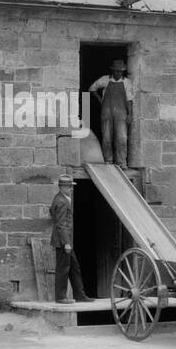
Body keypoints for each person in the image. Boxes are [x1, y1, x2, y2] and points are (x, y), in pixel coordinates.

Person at [49, 174, 89, 304]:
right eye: (69, 187)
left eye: (71, 187)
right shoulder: (61, 201)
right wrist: (66, 243)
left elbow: (52, 212)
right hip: (63, 242)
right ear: (62, 187)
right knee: (63, 268)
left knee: (74, 267)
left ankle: (80, 295)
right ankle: (61, 297)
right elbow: (60, 224)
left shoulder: (61, 198)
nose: (71, 189)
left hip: (66, 241)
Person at [88, 59, 133, 167]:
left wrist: (130, 114)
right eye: (117, 71)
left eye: (121, 71)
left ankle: (121, 162)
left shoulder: (127, 82)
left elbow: (129, 99)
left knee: (122, 138)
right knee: (107, 137)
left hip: (121, 112)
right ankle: (108, 160)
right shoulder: (105, 79)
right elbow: (92, 88)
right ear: (113, 71)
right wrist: (101, 101)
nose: (119, 73)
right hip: (107, 112)